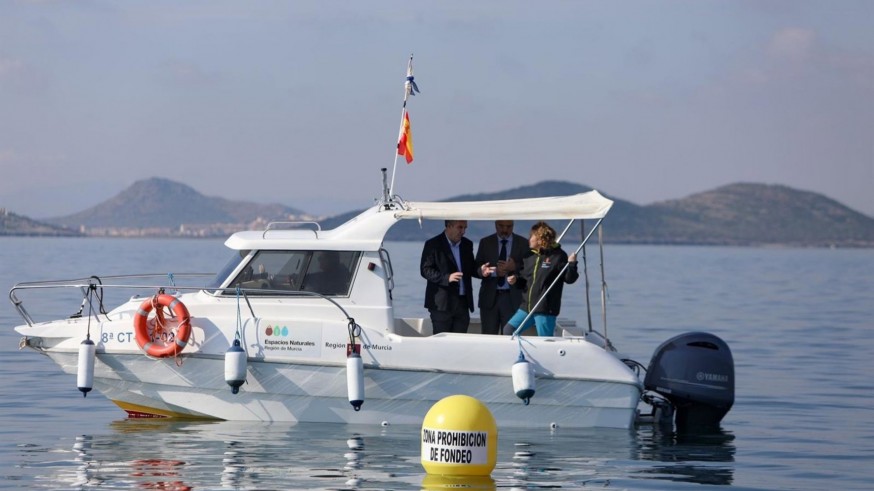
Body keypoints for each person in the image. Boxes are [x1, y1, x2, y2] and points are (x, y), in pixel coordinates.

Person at [503, 221, 579, 337]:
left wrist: (572, 264)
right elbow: (524, 281)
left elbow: (569, 279)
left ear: (539, 239)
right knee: (508, 330)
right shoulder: (529, 256)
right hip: (526, 307)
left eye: (531, 237)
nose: (529, 239)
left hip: (545, 309)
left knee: (545, 341)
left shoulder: (558, 256)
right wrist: (515, 280)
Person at [421, 220, 494, 334]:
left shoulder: (467, 244)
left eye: (465, 228)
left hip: (463, 303)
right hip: (442, 304)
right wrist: (446, 278)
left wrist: (480, 271)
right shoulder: (433, 244)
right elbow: (425, 270)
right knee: (441, 344)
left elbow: (470, 268)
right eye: (460, 227)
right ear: (448, 226)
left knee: (460, 343)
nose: (463, 231)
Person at [475, 220, 528, 335]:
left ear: (513, 225)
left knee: (510, 337)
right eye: (501, 226)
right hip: (489, 299)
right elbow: (476, 267)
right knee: (488, 336)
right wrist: (483, 271)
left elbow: (529, 269)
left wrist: (514, 267)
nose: (505, 229)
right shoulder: (485, 242)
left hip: (512, 298)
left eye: (509, 226)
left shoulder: (523, 243)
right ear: (495, 225)